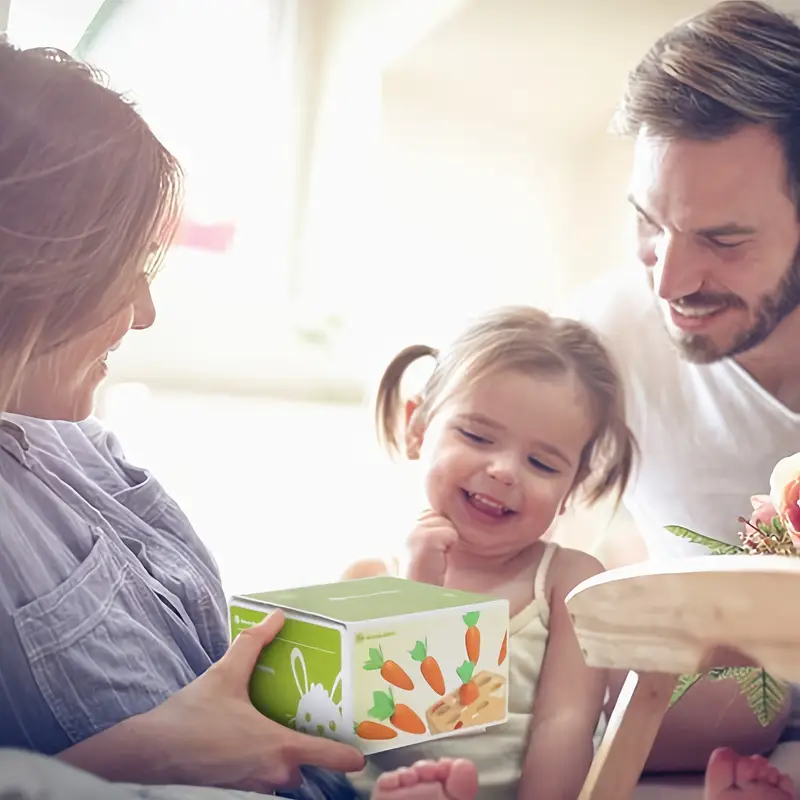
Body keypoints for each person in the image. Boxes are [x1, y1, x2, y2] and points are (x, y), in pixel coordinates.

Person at [0, 38, 477, 800]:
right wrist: (154, 753)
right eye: (123, 274)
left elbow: (201, 678)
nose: (147, 314)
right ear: (37, 264)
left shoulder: (83, 444)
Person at [560, 0, 800, 771]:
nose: (670, 278)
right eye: (649, 224)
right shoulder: (601, 342)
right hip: (701, 724)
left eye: (724, 240)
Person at [342, 306, 637, 799]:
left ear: (571, 488)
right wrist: (418, 589)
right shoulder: (367, 578)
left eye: (542, 463)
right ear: (418, 427)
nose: (504, 471)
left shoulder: (568, 580)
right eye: (477, 436)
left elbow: (566, 724)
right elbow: (365, 727)